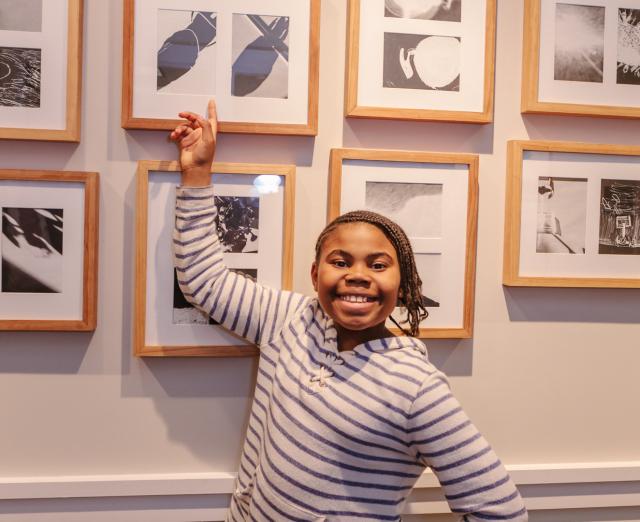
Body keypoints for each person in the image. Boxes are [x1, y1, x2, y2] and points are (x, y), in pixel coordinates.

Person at [170, 100, 528, 521]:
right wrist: (196, 173)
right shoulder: (286, 319)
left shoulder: (417, 388)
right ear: (315, 272)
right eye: (340, 262)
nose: (358, 276)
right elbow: (203, 281)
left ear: (404, 283)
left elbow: (500, 510)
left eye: (378, 265)